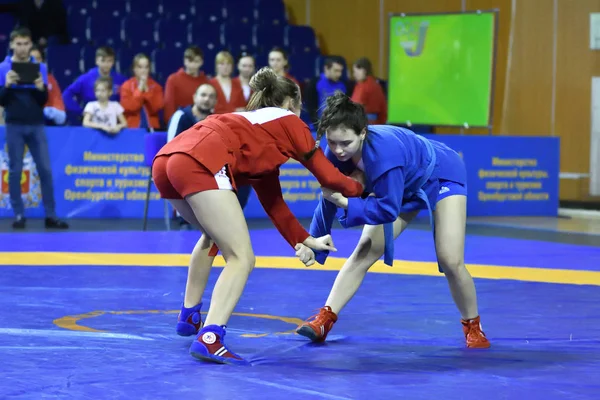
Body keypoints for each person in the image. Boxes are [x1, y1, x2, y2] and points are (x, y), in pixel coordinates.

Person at [152, 68, 365, 365]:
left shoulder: (255, 131)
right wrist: (364, 186)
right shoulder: (290, 120)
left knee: (213, 235)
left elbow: (274, 203)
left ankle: (189, 316)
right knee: (242, 258)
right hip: (200, 159)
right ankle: (211, 337)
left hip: (167, 161)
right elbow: (328, 176)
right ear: (293, 102)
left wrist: (304, 239)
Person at [294, 93, 490, 349]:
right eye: (332, 142)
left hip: (441, 175)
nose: (339, 150)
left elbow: (387, 210)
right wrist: (313, 241)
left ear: (363, 132)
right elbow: (328, 196)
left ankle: (473, 326)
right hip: (400, 184)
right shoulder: (333, 153)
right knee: (364, 250)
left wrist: (346, 203)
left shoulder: (385, 154)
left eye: (346, 143)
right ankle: (325, 319)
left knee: (450, 260)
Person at [0, 27, 68, 230]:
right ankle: (19, 214)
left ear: (31, 45)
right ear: (12, 44)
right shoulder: (3, 68)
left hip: (36, 124)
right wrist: (7, 86)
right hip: (14, 124)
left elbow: (42, 100)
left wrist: (41, 88)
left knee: (45, 170)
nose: (22, 48)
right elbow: (1, 101)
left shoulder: (40, 68)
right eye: (18, 44)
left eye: (25, 44)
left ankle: (51, 215)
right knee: (15, 171)